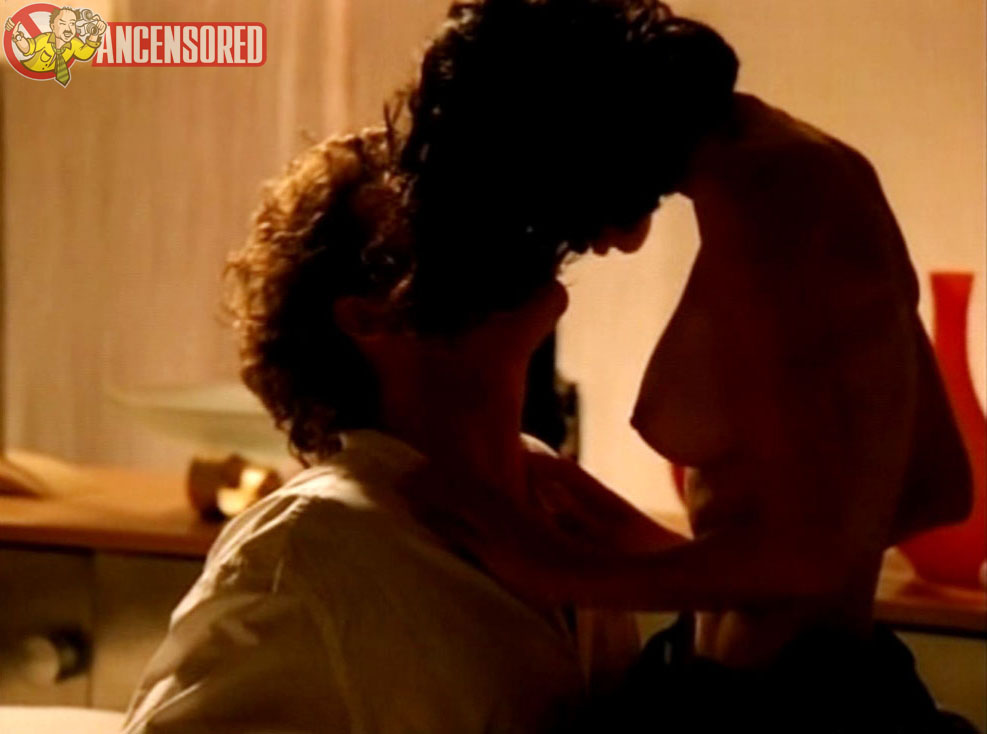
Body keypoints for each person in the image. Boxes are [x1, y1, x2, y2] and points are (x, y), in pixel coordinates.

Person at [397, 0, 974, 730]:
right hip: (797, 678)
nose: (574, 242)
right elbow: (932, 488)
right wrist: (637, 536)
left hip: (781, 707)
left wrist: (564, 570)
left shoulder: (772, 195)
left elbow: (816, 557)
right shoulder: (810, 167)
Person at [122, 129, 657, 734]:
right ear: (369, 315)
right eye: (442, 228)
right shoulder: (307, 551)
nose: (496, 232)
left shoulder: (563, 505)